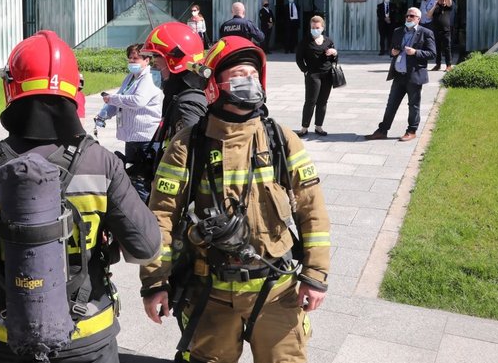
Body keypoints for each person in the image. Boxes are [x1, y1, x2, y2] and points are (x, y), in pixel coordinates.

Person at [0, 30, 161, 363]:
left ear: (10, 89)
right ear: (74, 91)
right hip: (90, 338)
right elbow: (146, 247)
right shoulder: (100, 162)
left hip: (9, 338)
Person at [141, 36, 331, 363]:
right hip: (209, 294)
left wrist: (315, 275)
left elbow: (312, 211)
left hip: (276, 292)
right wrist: (155, 281)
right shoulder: (187, 146)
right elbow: (160, 218)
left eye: (253, 74)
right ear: (214, 85)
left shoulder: (281, 140)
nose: (248, 81)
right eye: (238, 74)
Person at [131, 22, 210, 202]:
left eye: (158, 62)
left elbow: (193, 160)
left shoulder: (186, 105)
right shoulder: (186, 93)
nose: (155, 67)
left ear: (175, 60)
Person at [365, 7, 436, 143]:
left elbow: (432, 54)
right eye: (407, 15)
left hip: (414, 75)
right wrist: (393, 52)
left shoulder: (426, 33)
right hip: (399, 75)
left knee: (413, 105)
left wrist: (415, 52)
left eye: (412, 16)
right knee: (391, 104)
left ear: (418, 19)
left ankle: (411, 131)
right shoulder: (398, 31)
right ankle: (382, 130)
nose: (408, 18)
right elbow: (391, 50)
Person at [94, 43, 163, 164]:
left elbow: (138, 101)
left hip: (146, 137)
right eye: (130, 58)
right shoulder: (131, 77)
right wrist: (103, 115)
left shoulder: (150, 77)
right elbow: (118, 99)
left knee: (144, 174)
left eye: (135, 58)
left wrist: (112, 98)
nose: (131, 61)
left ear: (147, 60)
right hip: (131, 136)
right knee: (131, 173)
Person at [295, 16, 338, 137]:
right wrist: (305, 70)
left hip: (327, 74)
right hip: (313, 75)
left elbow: (335, 58)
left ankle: (319, 126)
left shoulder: (328, 41)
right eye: (313, 27)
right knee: (310, 101)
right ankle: (304, 127)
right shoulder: (305, 41)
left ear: (322, 28)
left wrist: (334, 53)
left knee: (323, 102)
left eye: (317, 27)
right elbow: (299, 58)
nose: (315, 29)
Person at [427, 0, 453, 71]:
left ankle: (449, 65)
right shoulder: (436, 7)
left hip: (445, 30)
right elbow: (429, 15)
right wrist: (435, 5)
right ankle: (437, 65)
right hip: (436, 30)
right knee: (437, 48)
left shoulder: (447, 7)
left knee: (447, 48)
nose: (440, 1)